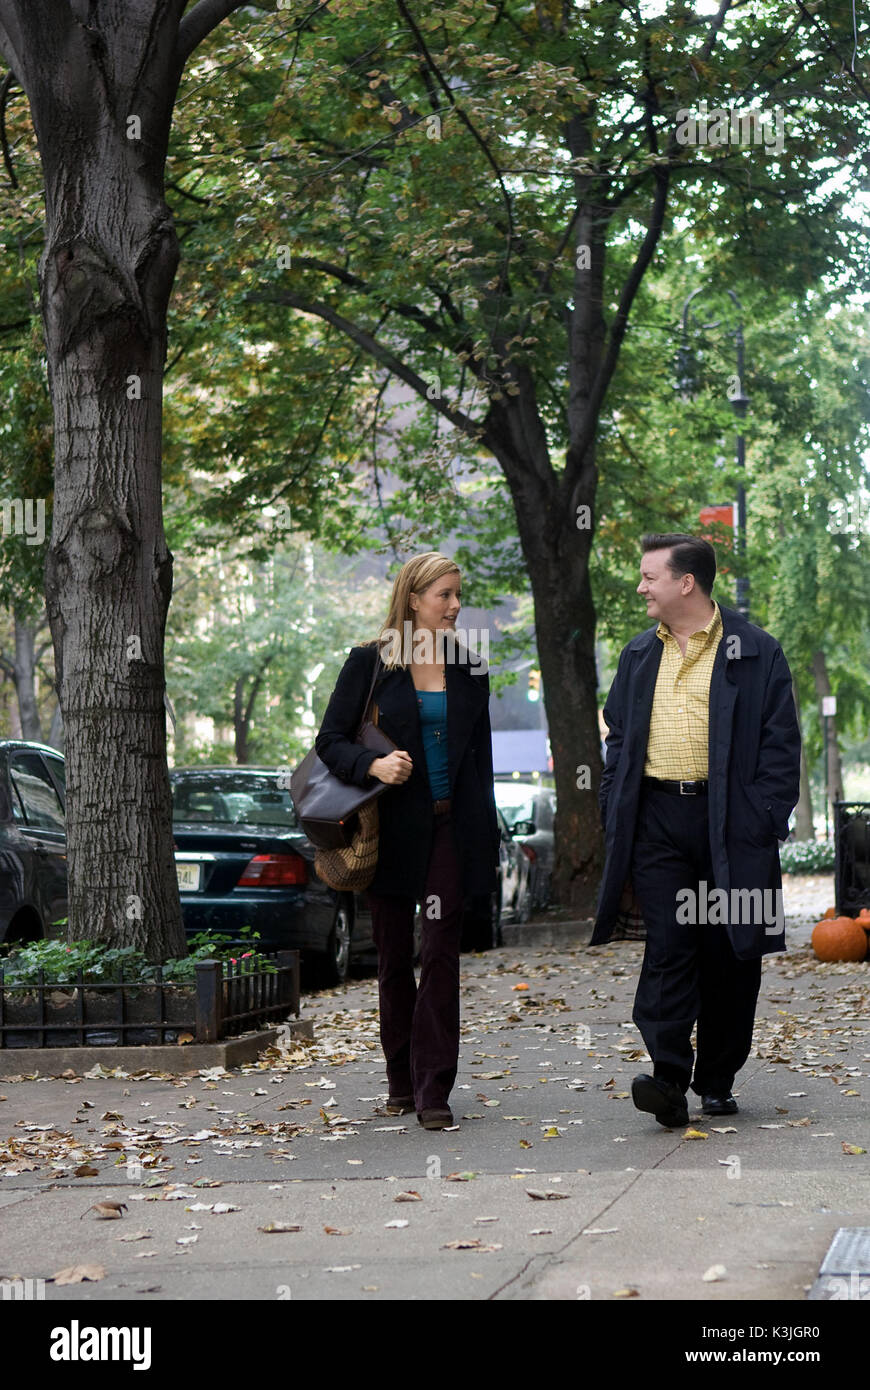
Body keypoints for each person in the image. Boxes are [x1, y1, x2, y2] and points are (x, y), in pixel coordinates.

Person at [593, 534, 801, 1128]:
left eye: (649, 576)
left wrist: (762, 819)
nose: (641, 587)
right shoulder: (638, 655)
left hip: (732, 824)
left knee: (730, 952)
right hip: (657, 821)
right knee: (668, 947)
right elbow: (618, 740)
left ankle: (716, 1078)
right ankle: (666, 1076)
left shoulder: (757, 651)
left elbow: (781, 749)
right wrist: (616, 811)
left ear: (687, 582)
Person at [314, 552, 500, 1130]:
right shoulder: (371, 663)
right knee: (394, 959)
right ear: (413, 599)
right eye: (444, 595)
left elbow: (482, 765)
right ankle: (399, 1079)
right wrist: (373, 765)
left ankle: (433, 1089)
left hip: (451, 827)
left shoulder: (470, 668)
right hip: (390, 831)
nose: (455, 605)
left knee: (441, 955)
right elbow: (330, 741)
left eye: (457, 594)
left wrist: (485, 840)